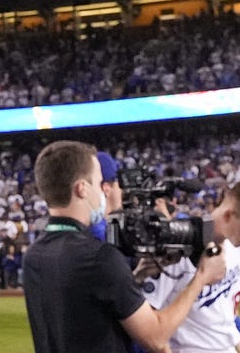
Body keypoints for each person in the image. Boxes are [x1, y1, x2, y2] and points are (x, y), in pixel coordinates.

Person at [22, 140, 225, 353]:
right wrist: (202, 277)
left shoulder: (34, 255)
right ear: (82, 189)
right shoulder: (98, 257)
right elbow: (155, 337)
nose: (103, 192)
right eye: (98, 183)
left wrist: (135, 277)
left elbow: (85, 305)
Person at [137, 178, 240, 353]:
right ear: (228, 215)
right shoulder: (179, 248)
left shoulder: (236, 248)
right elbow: (146, 320)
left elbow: (224, 302)